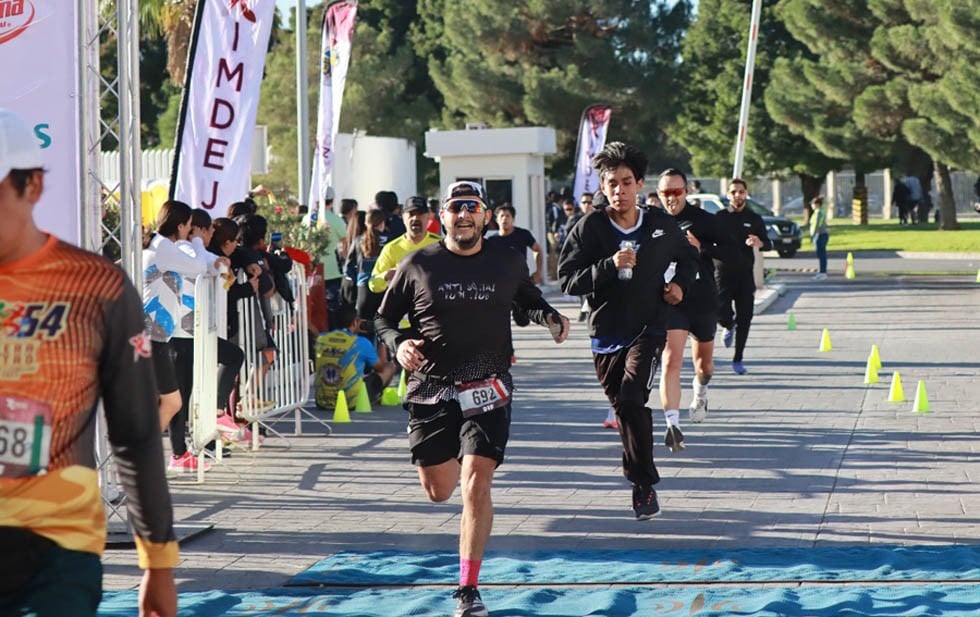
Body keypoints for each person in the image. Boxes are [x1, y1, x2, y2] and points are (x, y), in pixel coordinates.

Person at [0, 108, 178, 616]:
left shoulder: (97, 288)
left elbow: (136, 430)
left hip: (58, 549)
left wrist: (158, 563)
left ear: (32, 186)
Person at [375, 180, 570, 617]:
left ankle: (468, 588)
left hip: (488, 385)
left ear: (484, 216)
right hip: (431, 387)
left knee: (476, 483)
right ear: (441, 217)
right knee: (439, 490)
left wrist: (550, 317)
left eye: (472, 207)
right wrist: (399, 344)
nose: (464, 215)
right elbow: (383, 319)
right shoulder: (418, 263)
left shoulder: (507, 260)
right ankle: (449, 475)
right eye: (456, 208)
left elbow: (528, 301)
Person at [558, 142, 696, 520]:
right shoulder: (589, 228)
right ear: (603, 188)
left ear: (639, 184)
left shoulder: (659, 225)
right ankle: (639, 474)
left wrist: (680, 285)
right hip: (605, 334)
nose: (619, 190)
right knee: (623, 407)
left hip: (648, 329)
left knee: (633, 398)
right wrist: (608, 265)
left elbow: (689, 258)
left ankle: (643, 485)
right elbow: (567, 279)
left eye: (626, 182)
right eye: (611, 184)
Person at [657, 169, 735, 432]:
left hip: (702, 300)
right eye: (665, 193)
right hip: (671, 300)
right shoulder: (654, 222)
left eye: (676, 192)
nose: (671, 198)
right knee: (671, 359)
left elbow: (731, 251)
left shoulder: (704, 220)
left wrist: (703, 248)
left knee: (705, 366)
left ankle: (700, 393)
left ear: (686, 192)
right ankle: (672, 424)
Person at [714, 178, 773, 375]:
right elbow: (707, 241)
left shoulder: (754, 218)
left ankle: (738, 359)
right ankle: (728, 325)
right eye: (733, 192)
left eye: (741, 191)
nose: (737, 195)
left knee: (745, 318)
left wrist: (759, 243)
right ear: (728, 195)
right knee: (720, 311)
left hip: (745, 275)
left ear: (746, 193)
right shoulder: (719, 217)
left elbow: (768, 243)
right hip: (722, 274)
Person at [314, 304, 398, 408]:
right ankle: (374, 397)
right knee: (389, 367)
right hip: (350, 402)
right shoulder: (360, 342)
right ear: (355, 322)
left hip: (322, 401)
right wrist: (382, 338)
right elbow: (380, 368)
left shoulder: (321, 339)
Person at [368, 196, 441, 295]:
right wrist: (386, 275)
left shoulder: (441, 244)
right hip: (404, 303)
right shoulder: (392, 248)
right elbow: (373, 284)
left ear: (428, 217)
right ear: (403, 217)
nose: (415, 218)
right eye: (411, 214)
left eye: (420, 214)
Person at [809, 196, 829, 280]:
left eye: (812, 204)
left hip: (819, 235)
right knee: (821, 254)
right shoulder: (820, 212)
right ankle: (822, 272)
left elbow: (816, 225)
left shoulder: (818, 213)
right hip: (821, 234)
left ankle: (823, 273)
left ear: (817, 204)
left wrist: (813, 235)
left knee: (821, 254)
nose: (811, 205)